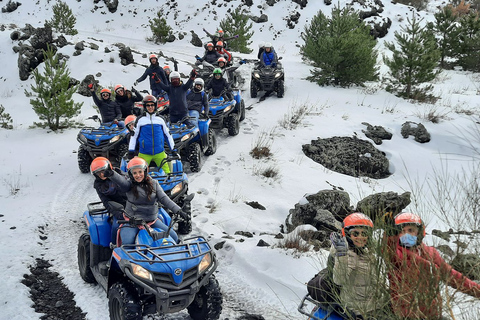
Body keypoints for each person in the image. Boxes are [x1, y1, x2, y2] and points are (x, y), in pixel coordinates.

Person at [386, 212, 480, 319]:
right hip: (406, 316)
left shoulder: (430, 253)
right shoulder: (396, 254)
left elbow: (453, 277)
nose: (406, 234)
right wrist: (388, 233)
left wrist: (477, 291)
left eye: (411, 230)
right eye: (402, 231)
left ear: (419, 232)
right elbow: (387, 248)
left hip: (432, 314)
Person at [106, 157, 188, 245]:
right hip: (132, 222)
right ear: (130, 174)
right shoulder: (129, 185)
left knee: (173, 236)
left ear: (145, 171)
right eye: (134, 173)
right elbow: (121, 181)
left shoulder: (154, 183)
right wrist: (112, 174)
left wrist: (178, 210)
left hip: (151, 221)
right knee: (127, 242)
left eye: (140, 172)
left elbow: (164, 199)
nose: (138, 175)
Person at [329, 213, 389, 319]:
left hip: (376, 306)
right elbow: (339, 279)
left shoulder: (367, 253)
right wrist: (341, 255)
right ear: (347, 234)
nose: (360, 237)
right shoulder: (346, 254)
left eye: (364, 233)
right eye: (355, 233)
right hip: (359, 311)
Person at [128, 95, 175, 174]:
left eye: (152, 105)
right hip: (144, 153)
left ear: (155, 106)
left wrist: (173, 149)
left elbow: (168, 135)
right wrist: (131, 151)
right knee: (140, 174)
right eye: (148, 105)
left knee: (168, 173)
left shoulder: (161, 119)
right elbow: (134, 136)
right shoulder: (140, 120)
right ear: (145, 106)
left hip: (160, 152)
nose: (150, 107)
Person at [90, 157, 127, 245]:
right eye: (98, 173)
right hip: (117, 208)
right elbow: (106, 202)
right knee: (116, 226)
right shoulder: (98, 185)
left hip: (133, 204)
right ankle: (114, 247)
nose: (102, 175)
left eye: (103, 171)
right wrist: (119, 214)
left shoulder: (121, 176)